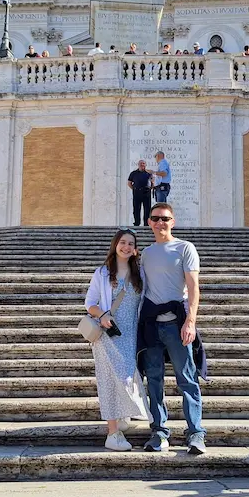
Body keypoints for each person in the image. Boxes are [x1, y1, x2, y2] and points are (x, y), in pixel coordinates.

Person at [138, 202, 206, 454]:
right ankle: (158, 431)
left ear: (173, 221)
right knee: (153, 380)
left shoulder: (185, 248)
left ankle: (196, 433)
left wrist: (191, 322)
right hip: (152, 325)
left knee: (187, 379)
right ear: (149, 223)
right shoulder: (145, 253)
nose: (160, 223)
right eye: (155, 218)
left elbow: (194, 287)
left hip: (177, 323)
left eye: (165, 219)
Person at [84, 229, 152, 451]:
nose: (126, 247)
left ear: (135, 249)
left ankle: (122, 415)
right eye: (122, 242)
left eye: (130, 244)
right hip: (107, 335)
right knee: (109, 380)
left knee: (127, 377)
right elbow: (90, 303)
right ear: (115, 245)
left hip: (130, 335)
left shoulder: (140, 274)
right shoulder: (102, 273)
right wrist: (102, 315)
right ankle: (112, 433)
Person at [127, 160, 154, 227]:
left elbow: (152, 183)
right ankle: (136, 223)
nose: (142, 165)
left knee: (147, 209)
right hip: (137, 193)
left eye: (144, 163)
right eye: (141, 163)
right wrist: (134, 189)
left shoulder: (149, 173)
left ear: (145, 165)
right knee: (136, 209)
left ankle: (146, 224)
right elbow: (129, 183)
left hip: (146, 193)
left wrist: (151, 186)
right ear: (138, 164)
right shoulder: (133, 173)